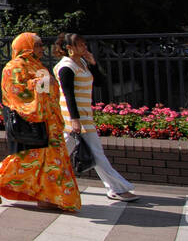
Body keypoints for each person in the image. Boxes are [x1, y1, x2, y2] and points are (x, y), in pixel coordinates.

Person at [0, 33, 81, 212]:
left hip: (49, 120)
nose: (41, 49)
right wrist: (41, 83)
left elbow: (46, 89)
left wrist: (45, 84)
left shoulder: (37, 66)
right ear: (26, 46)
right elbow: (15, 93)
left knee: (53, 160)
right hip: (33, 120)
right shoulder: (12, 67)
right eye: (37, 45)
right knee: (32, 159)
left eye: (41, 45)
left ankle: (48, 197)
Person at [53, 33, 139, 202]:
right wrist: (75, 120)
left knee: (59, 154)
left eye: (84, 44)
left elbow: (100, 82)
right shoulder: (65, 67)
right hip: (74, 118)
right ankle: (117, 188)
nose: (84, 47)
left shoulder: (82, 63)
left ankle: (36, 181)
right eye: (80, 44)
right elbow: (68, 94)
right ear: (69, 48)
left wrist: (93, 63)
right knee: (96, 154)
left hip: (82, 116)